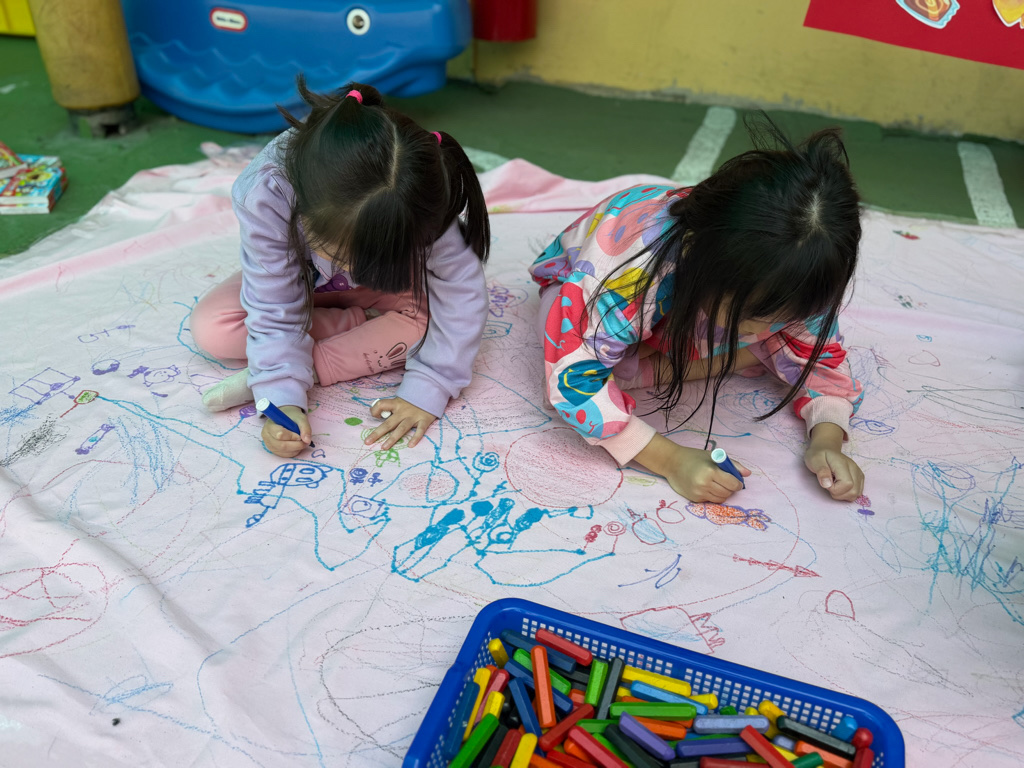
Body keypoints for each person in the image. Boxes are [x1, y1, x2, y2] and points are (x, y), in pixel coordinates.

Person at [530, 119, 865, 503]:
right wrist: (670, 460)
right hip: (578, 284)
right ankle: (733, 357)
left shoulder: (800, 276)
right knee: (583, 356)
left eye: (782, 320)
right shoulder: (629, 267)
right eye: (751, 317)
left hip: (680, 302)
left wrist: (826, 439)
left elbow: (822, 360)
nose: (765, 330)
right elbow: (573, 379)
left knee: (783, 337)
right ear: (694, 251)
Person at [191, 77, 490, 458]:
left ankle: (296, 365)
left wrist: (430, 385)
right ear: (305, 211)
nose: (351, 269)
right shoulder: (267, 192)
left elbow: (461, 292)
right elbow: (272, 304)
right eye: (339, 252)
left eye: (375, 256)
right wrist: (284, 399)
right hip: (302, 284)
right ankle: (356, 327)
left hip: (391, 288)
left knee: (441, 324)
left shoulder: (418, 198)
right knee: (213, 329)